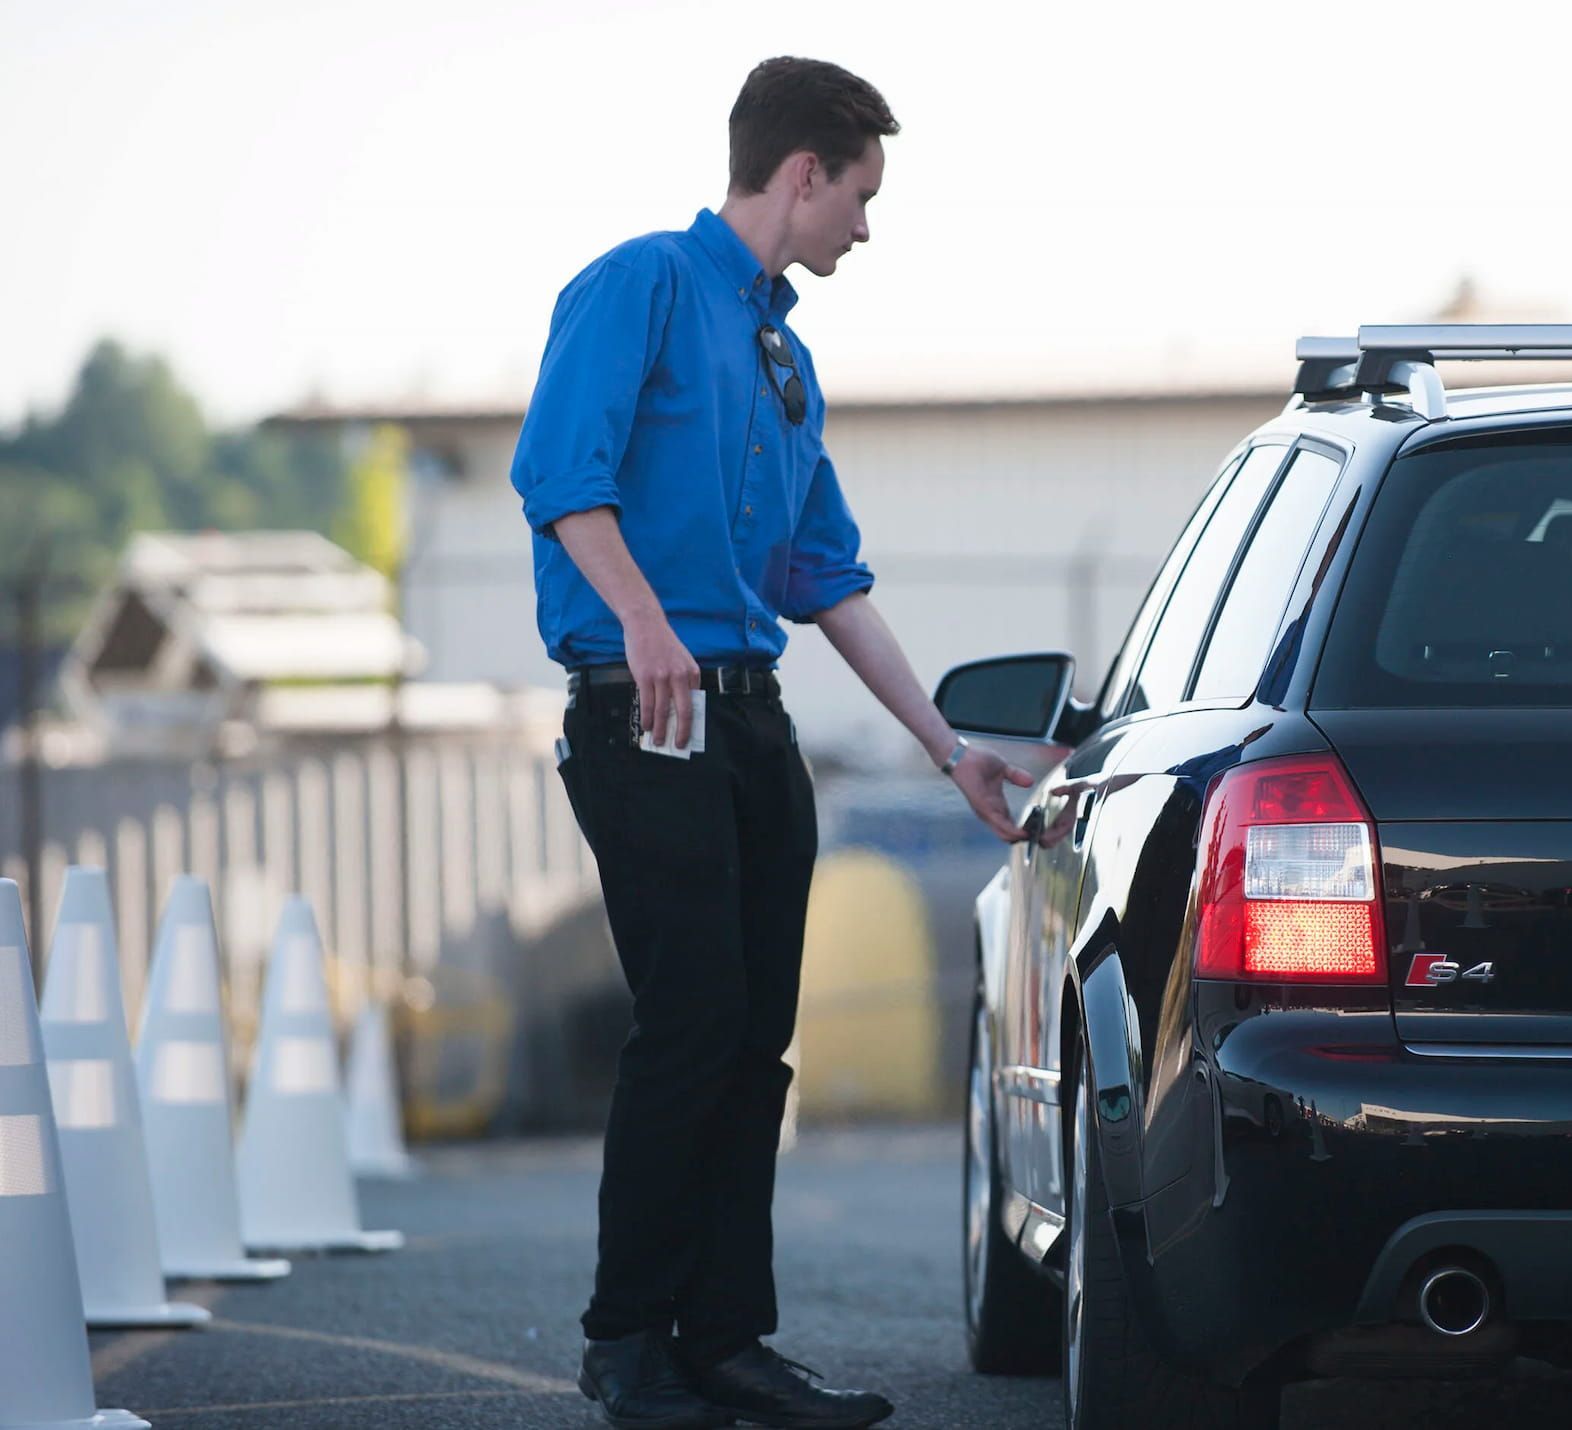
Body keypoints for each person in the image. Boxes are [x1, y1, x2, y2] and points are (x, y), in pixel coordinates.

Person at [509, 55, 1031, 1430]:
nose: (865, 224)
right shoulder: (637, 289)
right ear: (803, 173)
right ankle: (627, 1343)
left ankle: (726, 1338)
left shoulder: (783, 357)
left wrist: (943, 746)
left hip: (751, 724)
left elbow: (828, 578)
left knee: (755, 1043)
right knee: (689, 1024)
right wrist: (642, 625)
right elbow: (561, 478)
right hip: (648, 711)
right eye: (860, 194)